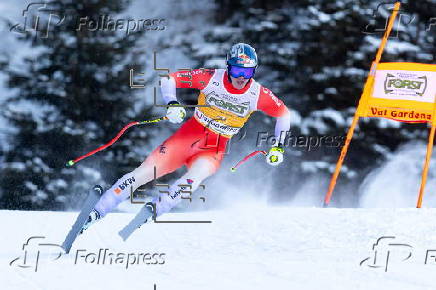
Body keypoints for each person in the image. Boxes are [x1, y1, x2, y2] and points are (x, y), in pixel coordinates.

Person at [80, 43, 291, 232]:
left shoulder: (258, 94)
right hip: (190, 134)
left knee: (194, 178)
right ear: (228, 67)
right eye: (237, 70)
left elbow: (284, 114)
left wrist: (278, 146)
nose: (241, 77)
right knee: (145, 172)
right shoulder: (210, 78)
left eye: (247, 71)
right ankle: (98, 210)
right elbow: (169, 79)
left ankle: (157, 207)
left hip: (215, 146)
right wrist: (171, 102)